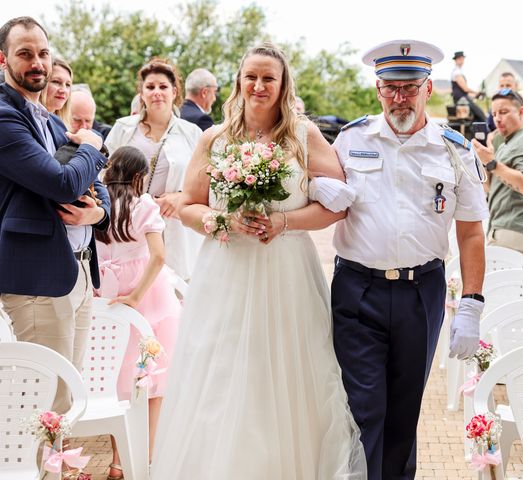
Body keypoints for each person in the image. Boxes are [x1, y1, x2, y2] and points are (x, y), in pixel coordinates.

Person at [151, 42, 366, 479]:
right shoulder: (215, 138)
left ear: (283, 84)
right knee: (224, 371)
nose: (259, 85)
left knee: (287, 370)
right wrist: (220, 222)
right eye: (251, 76)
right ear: (238, 82)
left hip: (286, 271)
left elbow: (340, 205)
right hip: (225, 273)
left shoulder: (303, 136)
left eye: (269, 77)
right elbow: (190, 205)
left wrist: (283, 221)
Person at [332, 39, 489, 480]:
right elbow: (323, 201)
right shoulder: (350, 140)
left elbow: (472, 229)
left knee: (404, 408)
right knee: (365, 405)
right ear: (377, 89)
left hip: (421, 291)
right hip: (357, 289)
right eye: (390, 88)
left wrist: (472, 304)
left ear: (428, 88)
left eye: (410, 87)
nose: (399, 98)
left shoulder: (454, 150)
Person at [0, 16, 110, 412]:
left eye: (43, 53)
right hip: (38, 280)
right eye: (24, 53)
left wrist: (95, 216)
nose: (37, 63)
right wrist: (94, 146)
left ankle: (60, 472)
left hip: (76, 270)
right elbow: (62, 183)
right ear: (3, 59)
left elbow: (97, 187)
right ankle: (43, 474)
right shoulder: (4, 115)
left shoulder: (47, 118)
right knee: (46, 402)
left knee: (70, 395)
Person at [95, 146, 181, 480]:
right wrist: (137, 295)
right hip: (146, 294)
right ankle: (146, 459)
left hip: (107, 289)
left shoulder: (98, 202)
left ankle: (117, 461)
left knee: (117, 382)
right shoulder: (143, 203)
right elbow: (158, 256)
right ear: (138, 176)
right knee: (152, 384)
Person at [105, 58, 203, 281]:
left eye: (163, 86)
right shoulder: (123, 128)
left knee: (173, 292)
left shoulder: (192, 133)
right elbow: (103, 174)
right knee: (134, 287)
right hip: (130, 224)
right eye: (150, 87)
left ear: (174, 91)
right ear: (141, 93)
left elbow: (204, 180)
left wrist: (180, 197)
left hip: (175, 223)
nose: (157, 92)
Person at [473, 89, 523, 265]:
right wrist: (483, 162)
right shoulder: (511, 141)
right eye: (494, 113)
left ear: (522, 112)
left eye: (504, 112)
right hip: (521, 229)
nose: (497, 118)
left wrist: (492, 163)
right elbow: (491, 187)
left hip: (514, 231)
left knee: (499, 291)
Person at [451, 50, 486, 122]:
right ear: (456, 60)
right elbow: (465, 89)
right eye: (460, 59)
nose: (462, 61)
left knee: (477, 115)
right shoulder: (457, 72)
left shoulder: (459, 72)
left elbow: (464, 92)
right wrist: (476, 92)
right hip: (461, 100)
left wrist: (475, 95)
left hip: (463, 98)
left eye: (462, 59)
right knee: (481, 115)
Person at [39, 57, 72, 127]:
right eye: (56, 82)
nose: (63, 90)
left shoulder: (63, 126)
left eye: (68, 84)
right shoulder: (29, 121)